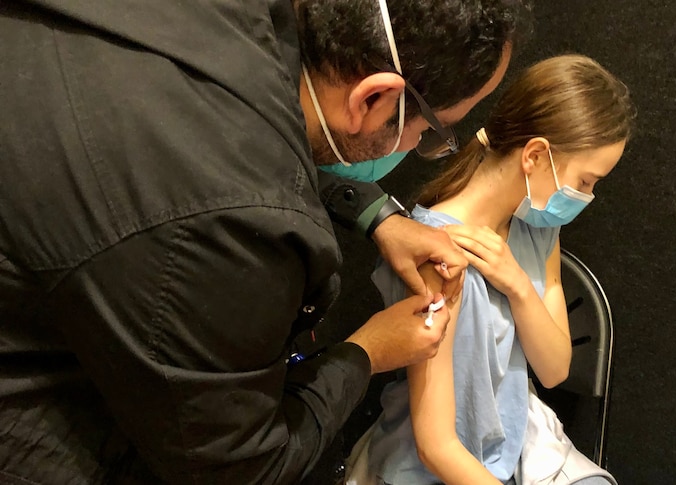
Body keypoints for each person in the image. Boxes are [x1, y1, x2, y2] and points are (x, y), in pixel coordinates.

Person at [0, 0, 530, 483]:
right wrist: (367, 352)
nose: (418, 148)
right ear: (375, 97)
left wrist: (378, 217)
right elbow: (241, 468)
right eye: (431, 133)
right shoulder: (227, 230)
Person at [345, 54, 635, 485]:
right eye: (587, 181)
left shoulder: (540, 230)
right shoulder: (437, 254)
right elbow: (437, 447)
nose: (587, 197)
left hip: (515, 449)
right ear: (535, 155)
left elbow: (554, 370)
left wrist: (517, 284)